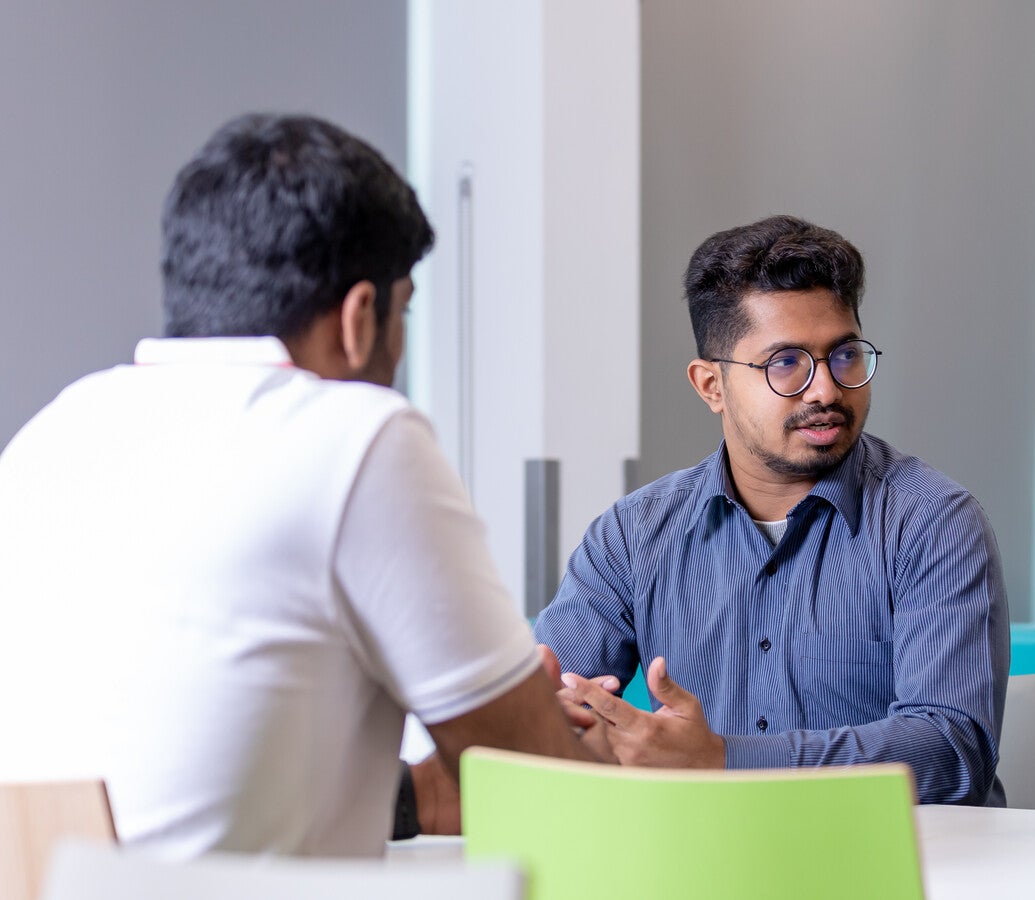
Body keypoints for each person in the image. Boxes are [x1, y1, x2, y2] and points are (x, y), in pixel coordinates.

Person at [0, 114, 597, 858]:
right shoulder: (358, 437)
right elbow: (542, 783)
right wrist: (539, 717)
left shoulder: (54, 435)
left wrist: (419, 793)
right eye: (403, 310)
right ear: (360, 316)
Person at [538, 215, 1010, 805]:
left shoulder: (932, 520)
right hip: (704, 859)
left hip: (894, 866)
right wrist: (567, 724)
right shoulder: (633, 536)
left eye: (844, 356)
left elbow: (948, 750)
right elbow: (553, 701)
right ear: (711, 385)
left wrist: (722, 761)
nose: (826, 390)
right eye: (786, 362)